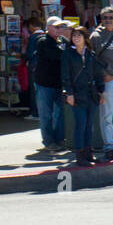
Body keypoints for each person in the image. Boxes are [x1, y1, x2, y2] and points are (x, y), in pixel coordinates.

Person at [62, 24, 104, 166]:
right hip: (77, 93)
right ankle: (80, 155)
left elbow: (97, 74)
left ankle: (88, 153)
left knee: (89, 125)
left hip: (91, 93)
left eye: (79, 35)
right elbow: (65, 75)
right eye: (74, 36)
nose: (76, 38)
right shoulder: (68, 54)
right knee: (80, 124)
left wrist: (101, 91)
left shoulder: (90, 54)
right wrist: (69, 93)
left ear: (85, 38)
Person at [33, 16, 69, 152]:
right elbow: (58, 55)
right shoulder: (42, 41)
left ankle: (60, 139)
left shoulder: (62, 40)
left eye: (61, 27)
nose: (59, 29)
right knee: (46, 114)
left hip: (59, 83)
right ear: (48, 27)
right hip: (44, 83)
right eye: (56, 27)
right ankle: (48, 141)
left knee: (60, 113)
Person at [89, 7, 113, 162]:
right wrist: (103, 75)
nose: (108, 20)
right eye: (105, 17)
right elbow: (92, 59)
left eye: (111, 17)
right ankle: (110, 146)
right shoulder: (96, 36)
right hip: (109, 81)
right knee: (107, 115)